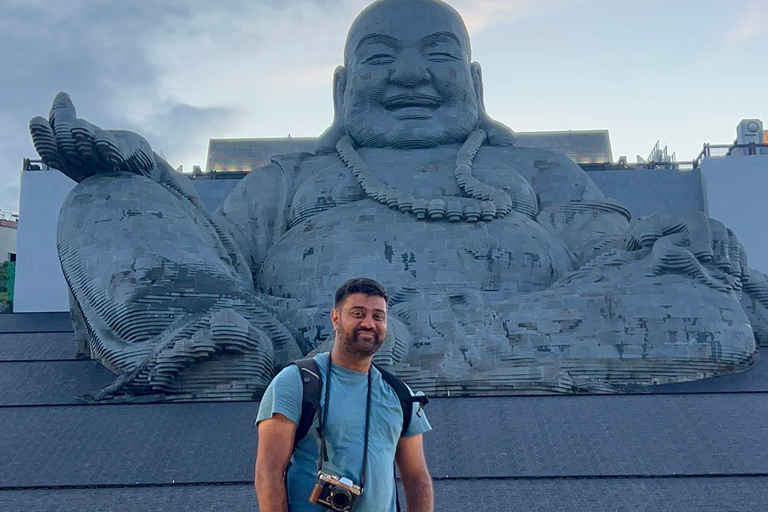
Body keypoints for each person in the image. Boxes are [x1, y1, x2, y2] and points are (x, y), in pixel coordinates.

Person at [29, 0, 760, 399]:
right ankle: (254, 345)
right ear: (344, 90)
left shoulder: (535, 167)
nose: (410, 74)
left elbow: (613, 245)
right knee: (103, 202)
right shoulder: (293, 176)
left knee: (690, 271)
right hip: (283, 317)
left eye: (436, 55)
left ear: (475, 85)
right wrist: (147, 181)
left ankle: (305, 356)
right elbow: (215, 256)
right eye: (381, 57)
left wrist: (676, 241)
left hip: (535, 319)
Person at [255, 278, 433, 512]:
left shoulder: (400, 394)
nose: (369, 323)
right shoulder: (296, 382)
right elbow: (268, 473)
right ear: (336, 319)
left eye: (378, 316)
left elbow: (417, 479)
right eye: (358, 313)